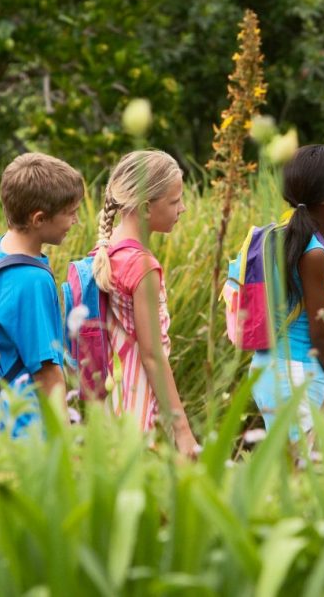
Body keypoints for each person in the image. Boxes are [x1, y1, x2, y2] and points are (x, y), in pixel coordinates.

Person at [91, 149, 198, 456]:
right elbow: (152, 357)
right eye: (175, 201)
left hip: (110, 399)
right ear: (147, 207)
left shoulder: (105, 254)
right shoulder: (142, 266)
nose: (184, 208)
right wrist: (182, 431)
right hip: (139, 404)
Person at [250, 144, 324, 442]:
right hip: (295, 372)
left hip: (269, 368)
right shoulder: (312, 252)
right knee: (312, 478)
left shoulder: (288, 236)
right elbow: (320, 332)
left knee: (294, 476)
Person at [0, 152, 84, 436]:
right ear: (39, 219)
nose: (75, 221)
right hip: (23, 429)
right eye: (71, 213)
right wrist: (65, 448)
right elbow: (48, 373)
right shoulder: (32, 280)